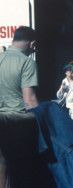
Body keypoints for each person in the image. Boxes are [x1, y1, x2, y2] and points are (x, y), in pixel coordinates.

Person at [0, 26, 39, 187]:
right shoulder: (27, 62)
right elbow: (29, 100)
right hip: (18, 124)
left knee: (3, 172)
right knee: (22, 174)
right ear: (32, 44)